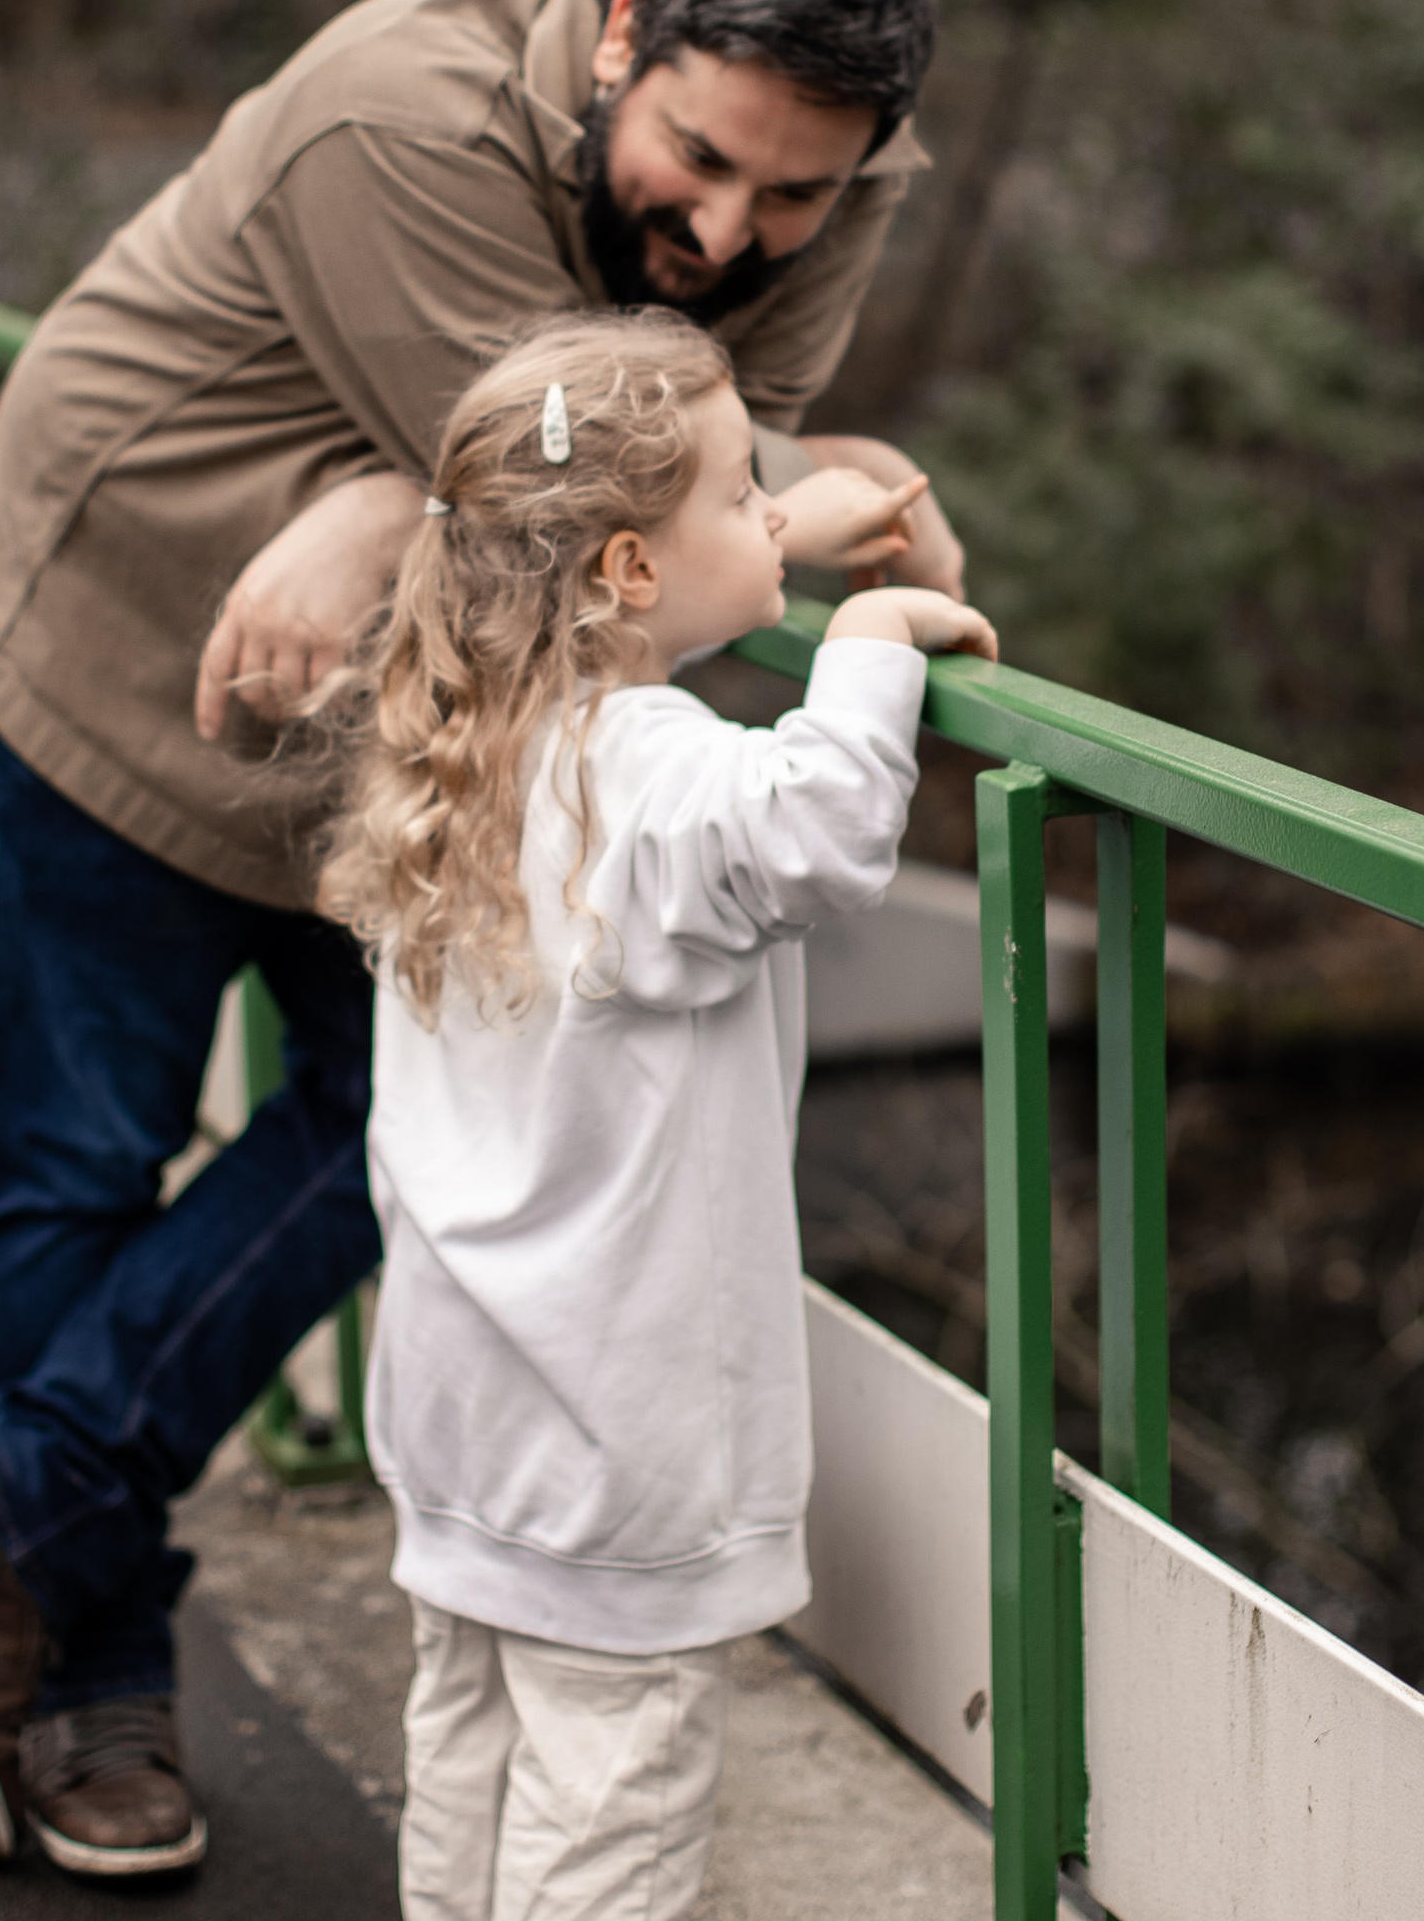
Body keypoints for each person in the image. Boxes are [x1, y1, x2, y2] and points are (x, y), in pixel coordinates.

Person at [0, 0, 964, 1879]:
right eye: (700, 159)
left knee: (399, 1122)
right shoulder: (395, 114)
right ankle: (88, 1667)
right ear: (622, 34)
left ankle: (24, 1503)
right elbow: (542, 492)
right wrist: (398, 497)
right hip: (146, 637)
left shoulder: (838, 166)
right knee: (78, 1151)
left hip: (445, 738)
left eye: (794, 197)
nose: (732, 236)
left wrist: (396, 503)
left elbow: (688, 458)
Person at [317, 311, 996, 1921]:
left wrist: (769, 538)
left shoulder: (484, 745)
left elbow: (634, 676)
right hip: (612, 1442)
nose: (773, 511)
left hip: (468, 1413)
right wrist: (870, 633)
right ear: (625, 569)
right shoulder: (652, 776)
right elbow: (815, 827)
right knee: (611, 1806)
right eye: (747, 490)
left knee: (472, 1752)